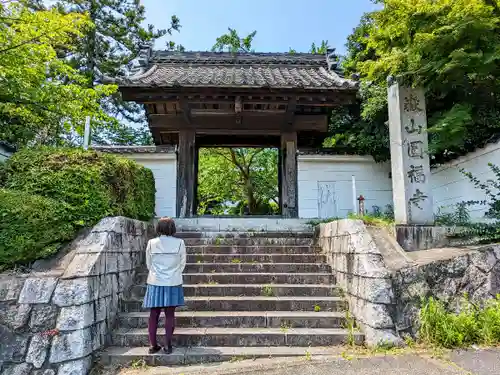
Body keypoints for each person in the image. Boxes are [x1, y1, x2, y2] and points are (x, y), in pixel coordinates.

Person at [143, 217, 186, 354]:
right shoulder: (180, 243)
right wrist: (172, 274)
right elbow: (182, 264)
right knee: (170, 314)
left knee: (154, 314)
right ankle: (167, 345)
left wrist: (158, 273)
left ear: (158, 228)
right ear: (172, 228)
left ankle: (152, 345)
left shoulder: (151, 243)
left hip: (155, 281)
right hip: (173, 282)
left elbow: (149, 264)